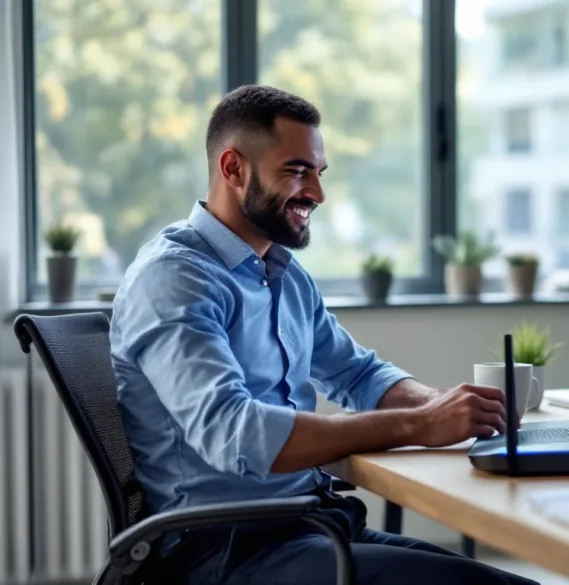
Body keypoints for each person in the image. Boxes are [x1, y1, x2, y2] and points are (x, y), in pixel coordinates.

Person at [109, 84, 537, 585]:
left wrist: (437, 403)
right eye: (297, 171)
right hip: (223, 552)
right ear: (233, 168)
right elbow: (236, 433)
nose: (317, 192)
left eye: (318, 172)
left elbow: (357, 374)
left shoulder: (284, 274)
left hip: (309, 525)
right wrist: (418, 424)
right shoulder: (175, 278)